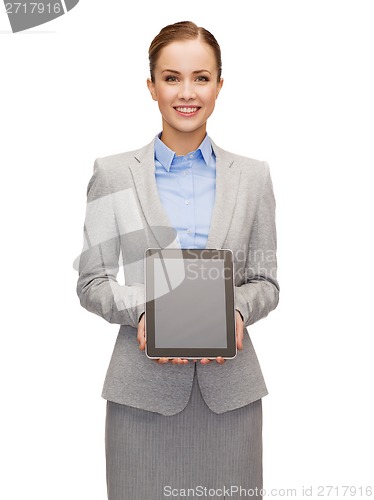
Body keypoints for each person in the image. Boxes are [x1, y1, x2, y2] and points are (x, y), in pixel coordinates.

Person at [76, 20, 279, 500]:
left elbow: (266, 281)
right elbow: (92, 281)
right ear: (151, 86)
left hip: (230, 400)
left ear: (219, 85)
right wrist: (144, 310)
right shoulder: (112, 174)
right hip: (141, 401)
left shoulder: (252, 178)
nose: (186, 92)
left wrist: (236, 310)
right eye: (171, 78)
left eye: (201, 77)